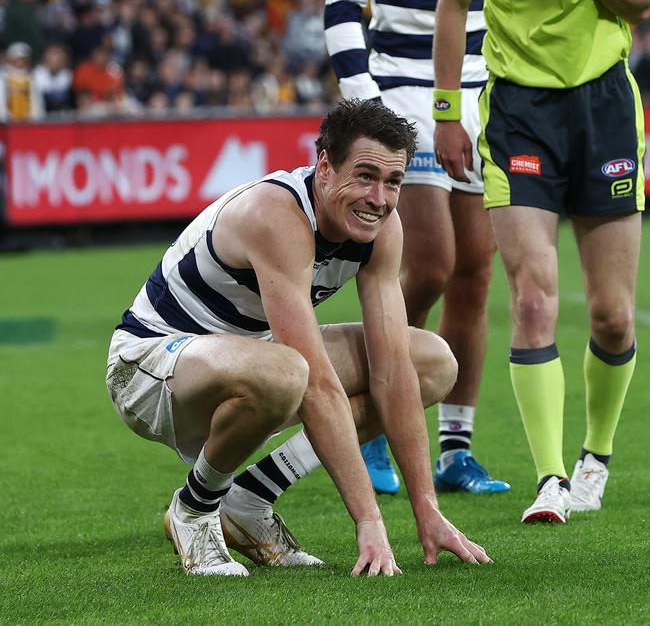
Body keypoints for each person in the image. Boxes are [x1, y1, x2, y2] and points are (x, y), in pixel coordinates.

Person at [106, 99, 492, 576]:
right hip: (147, 367)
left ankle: (249, 499)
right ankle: (194, 508)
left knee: (430, 362)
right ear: (325, 166)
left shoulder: (381, 227)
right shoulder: (277, 212)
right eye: (366, 176)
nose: (379, 198)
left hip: (252, 362)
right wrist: (369, 520)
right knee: (290, 372)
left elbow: (391, 371)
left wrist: (426, 509)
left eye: (393, 182)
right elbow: (314, 384)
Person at [433, 0, 650, 524]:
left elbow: (642, 1)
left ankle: (595, 457)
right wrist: (442, 114)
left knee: (615, 316)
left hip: (606, 109)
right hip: (521, 111)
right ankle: (550, 478)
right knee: (532, 299)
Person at [324, 0, 511, 495]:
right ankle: (375, 418)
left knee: (475, 271)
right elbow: (343, 4)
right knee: (428, 260)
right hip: (405, 96)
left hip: (485, 99)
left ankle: (456, 449)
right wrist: (370, 109)